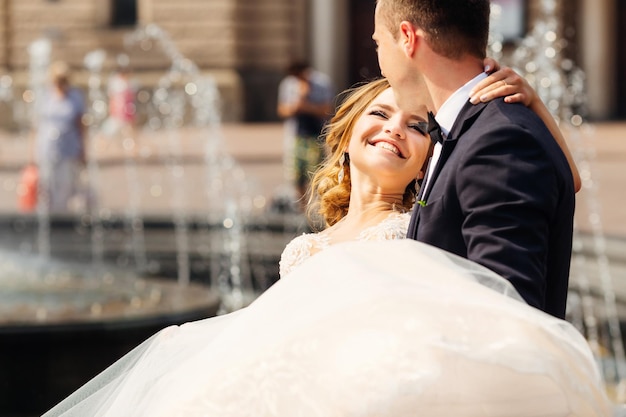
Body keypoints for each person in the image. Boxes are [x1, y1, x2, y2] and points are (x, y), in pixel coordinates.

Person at [40, 79, 611, 416]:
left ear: (428, 162)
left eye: (418, 126)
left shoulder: (421, 226)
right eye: (381, 114)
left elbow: (565, 182)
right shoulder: (302, 250)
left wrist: (534, 109)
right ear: (346, 139)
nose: (395, 128)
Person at [373, 0, 577, 319]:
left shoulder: (498, 142)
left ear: (407, 37)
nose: (381, 64)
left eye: (378, 43)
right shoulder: (468, 130)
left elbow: (507, 312)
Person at [31, 60, 87, 213]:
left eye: (63, 80)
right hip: (47, 148)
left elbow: (80, 124)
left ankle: (61, 217)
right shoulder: (45, 95)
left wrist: (83, 150)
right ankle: (48, 217)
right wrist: (33, 150)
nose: (60, 83)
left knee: (65, 186)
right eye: (57, 80)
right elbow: (37, 124)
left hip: (68, 148)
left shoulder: (75, 96)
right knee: (46, 185)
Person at [276, 61, 334, 207]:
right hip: (296, 136)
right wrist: (296, 105)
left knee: (315, 173)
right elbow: (282, 110)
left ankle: (318, 206)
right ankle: (302, 207)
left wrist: (306, 106)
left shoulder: (321, 82)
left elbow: (327, 109)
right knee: (297, 174)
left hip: (315, 136)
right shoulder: (288, 84)